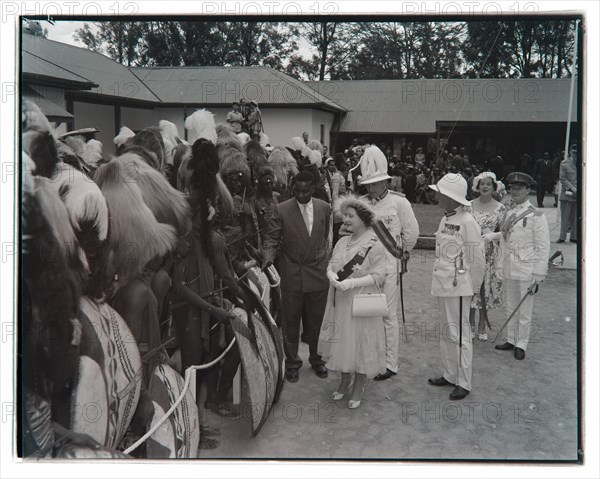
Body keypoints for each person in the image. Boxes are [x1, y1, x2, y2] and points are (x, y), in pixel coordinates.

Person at [263, 170, 331, 383]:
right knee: (291, 320)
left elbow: (327, 237)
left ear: (313, 189)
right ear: (293, 188)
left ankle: (317, 358)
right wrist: (267, 257)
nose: (301, 195)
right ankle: (292, 363)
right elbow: (271, 238)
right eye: (297, 190)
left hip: (318, 272)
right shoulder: (282, 209)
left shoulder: (324, 208)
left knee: (317, 321)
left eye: (305, 191)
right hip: (292, 272)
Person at [318, 198, 387, 409]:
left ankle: (359, 385)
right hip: (341, 299)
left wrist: (352, 283)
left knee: (361, 343)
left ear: (363, 219)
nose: (345, 220)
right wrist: (331, 275)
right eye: (344, 216)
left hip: (361, 301)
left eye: (350, 216)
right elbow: (331, 263)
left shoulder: (374, 244)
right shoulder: (341, 241)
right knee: (344, 341)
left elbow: (379, 276)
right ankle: (345, 380)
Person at [358, 146, 420, 381]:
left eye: (375, 183)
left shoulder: (399, 203)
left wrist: (400, 255)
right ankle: (369, 356)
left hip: (388, 266)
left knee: (387, 315)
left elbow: (411, 233)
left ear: (386, 182)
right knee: (365, 312)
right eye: (368, 184)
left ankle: (390, 363)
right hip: (364, 267)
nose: (371, 187)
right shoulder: (361, 203)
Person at [427, 173, 485, 400]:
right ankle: (450, 374)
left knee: (460, 334)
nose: (437, 196)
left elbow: (477, 259)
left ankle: (464, 381)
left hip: (459, 286)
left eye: (440, 193)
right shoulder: (446, 219)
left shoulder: (468, 222)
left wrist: (474, 287)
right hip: (442, 283)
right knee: (446, 331)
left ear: (452, 197)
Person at [492, 172, 550, 360]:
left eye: (519, 188)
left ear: (527, 190)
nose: (514, 191)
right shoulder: (509, 212)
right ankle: (510, 338)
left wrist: (538, 274)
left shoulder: (536, 215)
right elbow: (505, 240)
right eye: (512, 188)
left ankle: (521, 344)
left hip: (527, 269)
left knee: (524, 309)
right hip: (510, 266)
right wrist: (500, 265)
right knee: (511, 306)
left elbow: (542, 246)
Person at [468, 172, 506, 341]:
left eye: (488, 184)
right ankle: (470, 324)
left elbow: (505, 232)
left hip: (490, 253)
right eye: (482, 183)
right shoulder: (468, 206)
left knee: (486, 288)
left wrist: (493, 235)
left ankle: (483, 324)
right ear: (477, 186)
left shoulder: (500, 208)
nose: (484, 186)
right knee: (472, 287)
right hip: (472, 252)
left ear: (494, 187)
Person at [558, 144, 578, 243]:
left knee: (576, 217)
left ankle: (574, 237)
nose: (575, 154)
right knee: (565, 217)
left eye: (577, 152)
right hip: (567, 193)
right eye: (574, 152)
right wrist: (572, 188)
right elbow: (562, 178)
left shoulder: (581, 163)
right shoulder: (564, 163)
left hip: (577, 194)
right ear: (570, 151)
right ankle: (562, 237)